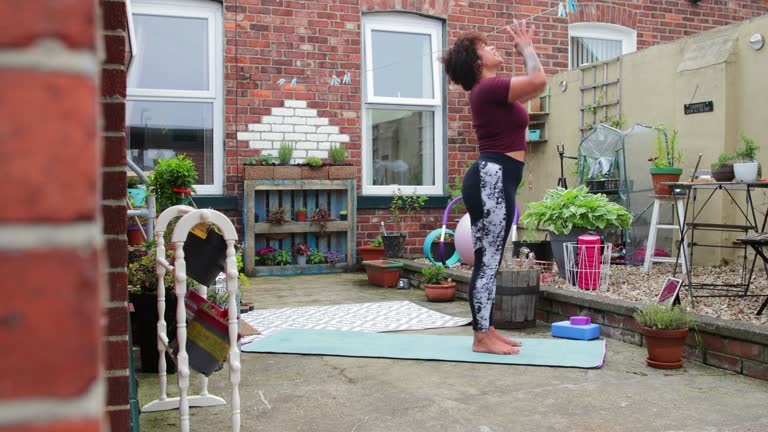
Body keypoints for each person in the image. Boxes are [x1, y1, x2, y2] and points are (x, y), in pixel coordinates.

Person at [441, 20, 547, 355]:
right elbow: (538, 81)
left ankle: (487, 328)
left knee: (492, 260)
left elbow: (533, 87)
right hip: (492, 180)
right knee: (487, 262)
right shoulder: (487, 89)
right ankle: (480, 336)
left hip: (498, 179)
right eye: (485, 47)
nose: (492, 48)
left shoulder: (491, 91)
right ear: (476, 62)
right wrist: (526, 47)